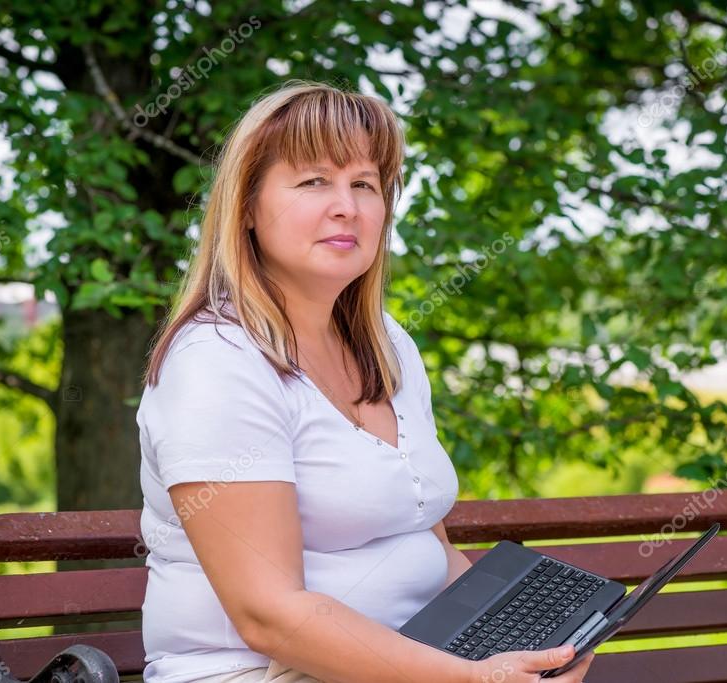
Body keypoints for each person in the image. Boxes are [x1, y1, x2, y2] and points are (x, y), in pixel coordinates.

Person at [136, 79, 596, 683]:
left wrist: (538, 646)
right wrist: (475, 679)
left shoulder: (386, 343)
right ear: (245, 207)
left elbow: (428, 545)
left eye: (365, 184)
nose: (346, 206)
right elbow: (268, 618)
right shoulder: (217, 362)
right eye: (313, 181)